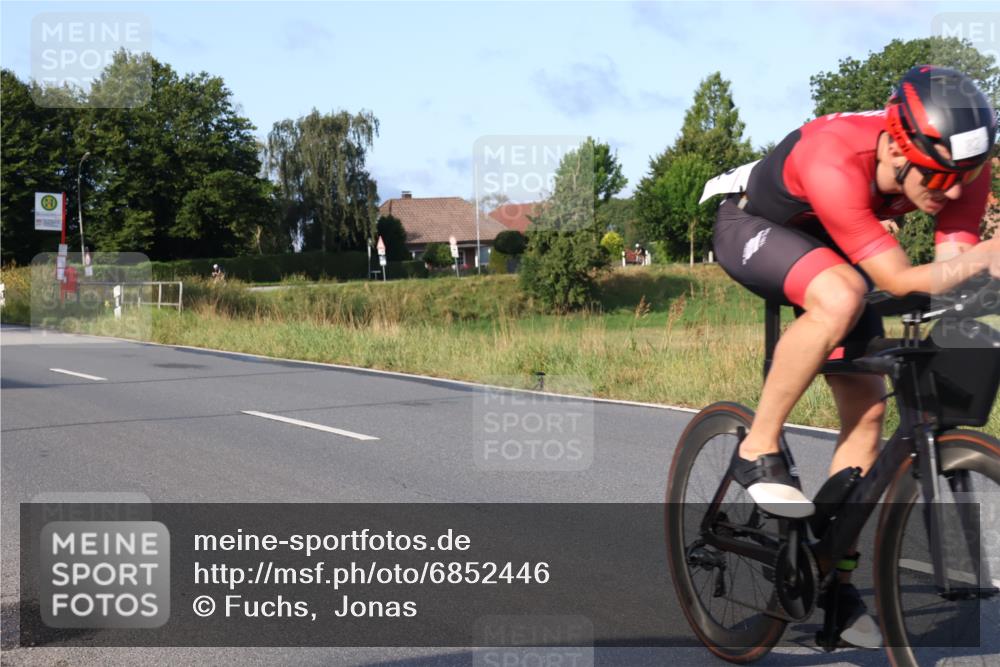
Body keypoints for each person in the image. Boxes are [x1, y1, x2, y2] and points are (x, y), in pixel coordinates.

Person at [711, 65, 999, 648]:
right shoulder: (833, 155)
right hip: (755, 227)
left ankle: (832, 578)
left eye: (962, 179)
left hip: (838, 243)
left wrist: (979, 281)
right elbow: (896, 277)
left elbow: (952, 274)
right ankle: (758, 445)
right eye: (937, 177)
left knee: (869, 410)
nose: (949, 192)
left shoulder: (963, 166)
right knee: (841, 294)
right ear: (895, 147)